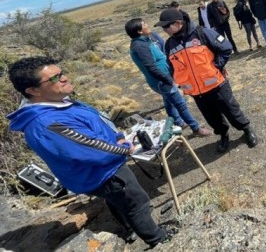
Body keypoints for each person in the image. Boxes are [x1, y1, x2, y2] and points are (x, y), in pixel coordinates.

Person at [7, 57, 177, 247]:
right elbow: (92, 150)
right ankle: (157, 238)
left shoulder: (55, 103)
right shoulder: (46, 122)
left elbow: (94, 126)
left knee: (117, 201)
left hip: (99, 170)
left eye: (61, 73)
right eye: (54, 78)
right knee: (136, 202)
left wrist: (118, 135)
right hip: (103, 172)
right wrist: (122, 148)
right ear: (33, 90)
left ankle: (130, 230)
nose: (64, 78)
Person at [156, 8, 258, 153]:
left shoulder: (202, 33)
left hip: (217, 85)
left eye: (166, 26)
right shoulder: (169, 45)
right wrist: (178, 80)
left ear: (178, 23)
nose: (164, 29)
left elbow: (226, 47)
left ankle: (246, 130)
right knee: (212, 118)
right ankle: (223, 135)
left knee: (232, 111)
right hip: (197, 92)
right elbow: (172, 66)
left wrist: (216, 66)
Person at [125, 18, 212, 136]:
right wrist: (169, 80)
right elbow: (151, 67)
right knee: (180, 103)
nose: (147, 24)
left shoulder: (144, 41)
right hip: (161, 81)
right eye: (144, 24)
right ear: (139, 31)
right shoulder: (139, 46)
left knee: (169, 101)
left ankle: (178, 122)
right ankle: (196, 128)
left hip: (162, 79)